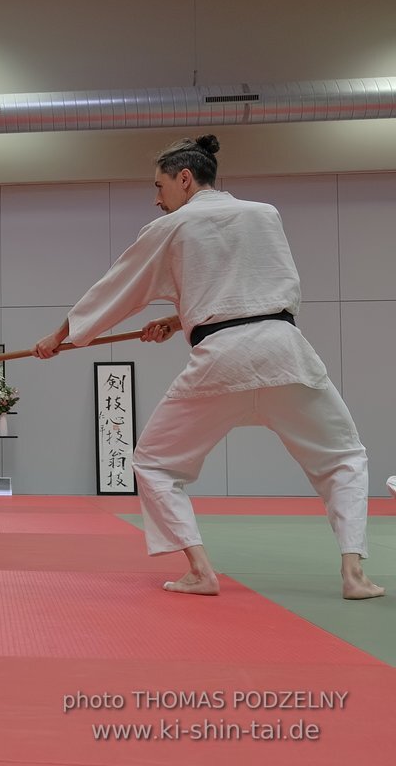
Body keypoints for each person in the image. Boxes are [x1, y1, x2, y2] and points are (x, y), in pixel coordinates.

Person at [33, 134, 383, 600]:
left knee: (154, 463)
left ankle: (199, 570)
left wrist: (59, 338)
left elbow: (114, 288)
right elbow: (252, 290)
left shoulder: (171, 228)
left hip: (221, 360)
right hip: (285, 351)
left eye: (159, 186)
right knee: (343, 457)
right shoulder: (265, 214)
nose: (156, 199)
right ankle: (354, 574)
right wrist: (181, 320)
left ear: (184, 178)